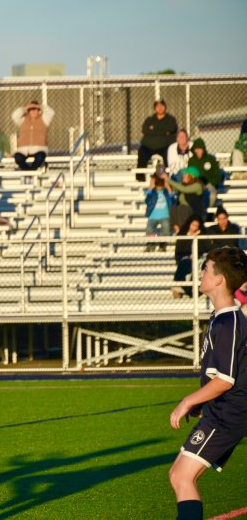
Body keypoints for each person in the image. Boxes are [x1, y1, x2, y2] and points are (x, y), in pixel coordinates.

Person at [168, 246, 247, 520]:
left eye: (206, 268)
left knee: (182, 477)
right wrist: (201, 403)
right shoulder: (220, 318)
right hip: (219, 411)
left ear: (219, 280)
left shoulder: (229, 322)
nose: (201, 273)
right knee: (179, 475)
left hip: (227, 415)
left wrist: (188, 400)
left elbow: (225, 380)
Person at [137, 100, 178, 182]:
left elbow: (172, 128)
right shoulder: (149, 119)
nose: (160, 108)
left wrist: (153, 129)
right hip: (148, 146)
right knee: (142, 155)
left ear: (165, 107)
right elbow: (145, 130)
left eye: (162, 106)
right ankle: (140, 179)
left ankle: (169, 178)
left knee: (168, 158)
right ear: (155, 109)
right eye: (158, 106)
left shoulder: (170, 119)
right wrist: (164, 131)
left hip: (164, 146)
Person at [11, 101, 55, 171]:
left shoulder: (44, 119)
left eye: (35, 109)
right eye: (31, 110)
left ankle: (32, 171)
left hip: (39, 148)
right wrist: (25, 107)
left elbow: (51, 112)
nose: (33, 111)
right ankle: (28, 171)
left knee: (40, 157)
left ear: (39, 111)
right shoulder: (23, 120)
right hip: (24, 149)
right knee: (18, 157)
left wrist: (40, 106)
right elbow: (14, 115)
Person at [173, 215, 204, 299]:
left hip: (198, 259)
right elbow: (178, 250)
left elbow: (203, 248)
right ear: (189, 224)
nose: (194, 228)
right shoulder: (183, 234)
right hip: (185, 259)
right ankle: (183, 289)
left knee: (188, 265)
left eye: (197, 226)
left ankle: (179, 288)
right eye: (193, 225)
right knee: (184, 263)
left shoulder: (201, 236)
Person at [167, 168, 205, 232]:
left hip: (193, 211)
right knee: (172, 208)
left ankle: (183, 230)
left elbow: (184, 189)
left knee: (182, 208)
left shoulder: (198, 185)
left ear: (192, 176)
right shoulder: (183, 185)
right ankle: (176, 228)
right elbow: (174, 188)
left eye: (185, 174)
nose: (183, 176)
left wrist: (168, 180)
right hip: (181, 210)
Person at [188, 138, 222, 205]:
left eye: (200, 149)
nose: (198, 151)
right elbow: (189, 175)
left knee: (212, 195)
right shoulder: (191, 161)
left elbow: (217, 176)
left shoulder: (210, 159)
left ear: (203, 149)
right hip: (195, 184)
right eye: (196, 149)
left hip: (208, 184)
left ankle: (209, 212)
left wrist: (210, 181)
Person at [144, 174, 172, 251]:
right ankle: (150, 246)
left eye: (161, 185)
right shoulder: (152, 192)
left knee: (166, 228)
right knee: (149, 230)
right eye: (158, 185)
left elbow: (173, 199)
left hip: (164, 215)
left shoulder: (166, 192)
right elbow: (146, 200)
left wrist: (167, 186)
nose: (159, 187)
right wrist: (150, 187)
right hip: (153, 215)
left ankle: (162, 246)